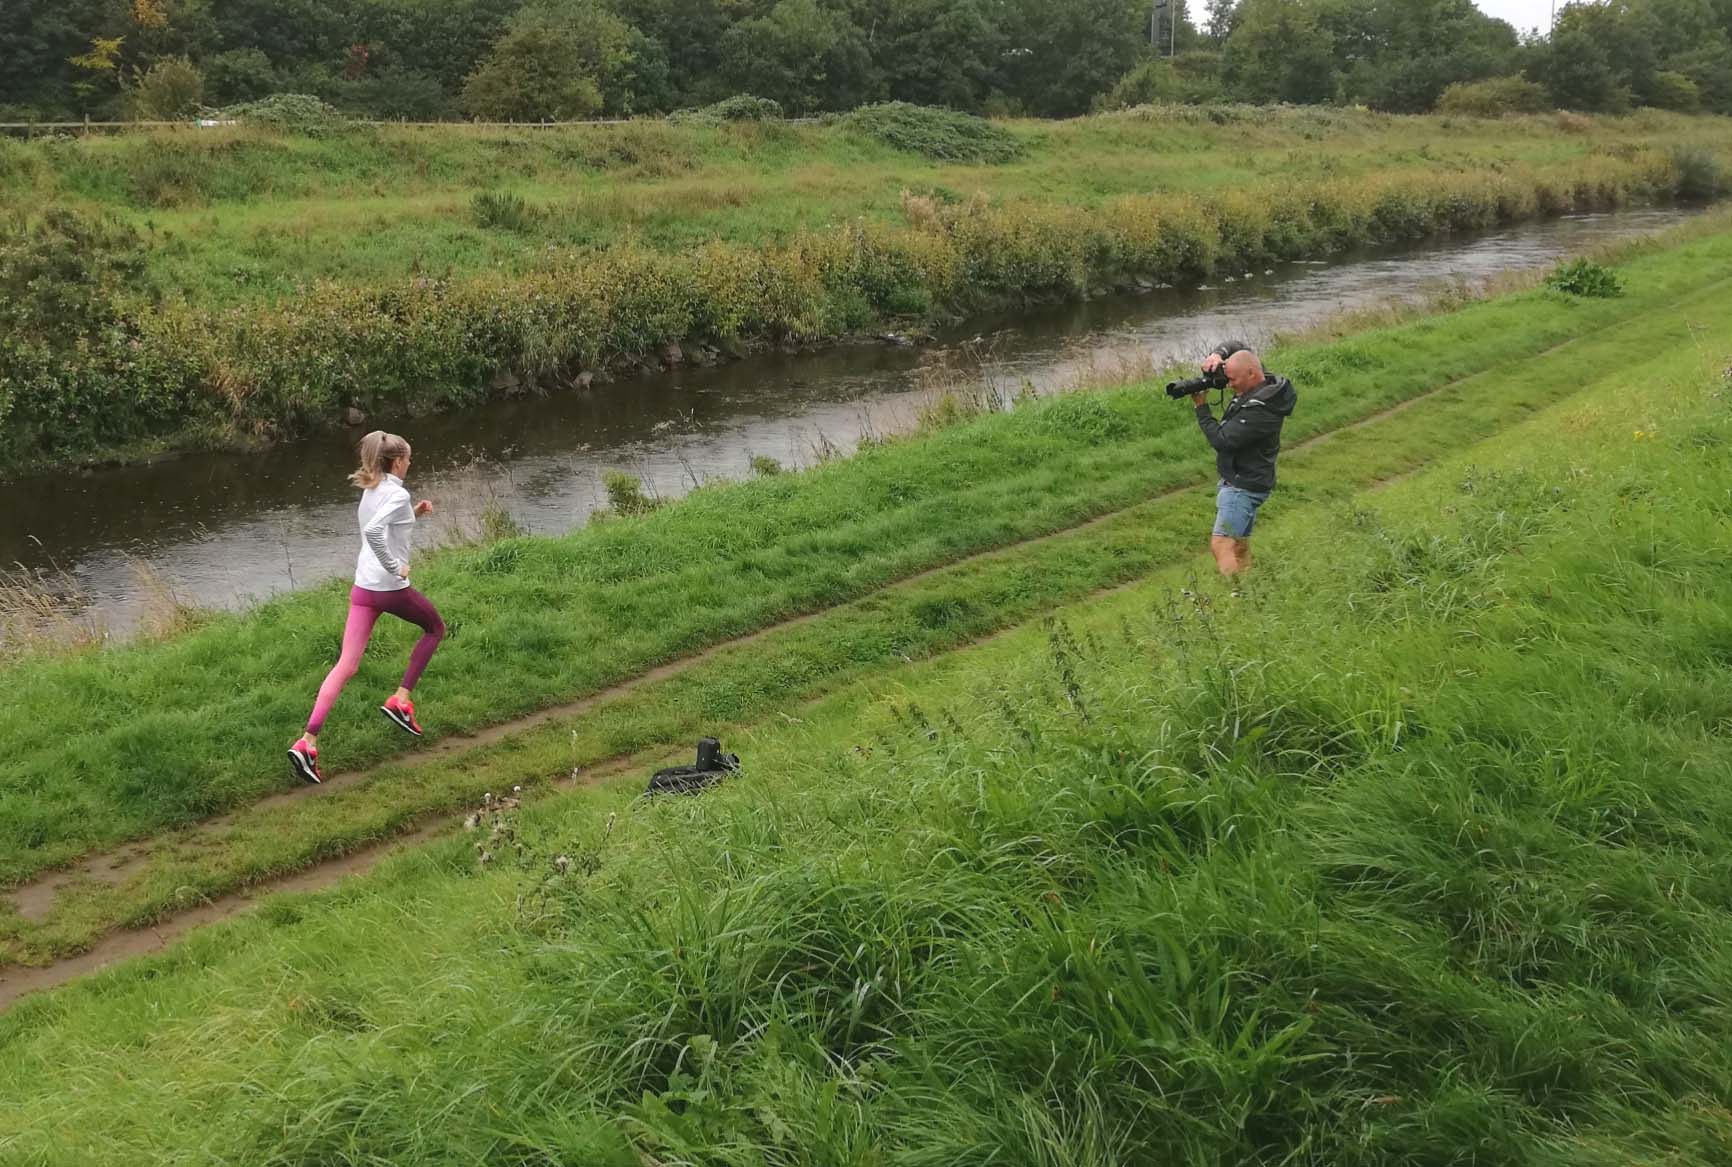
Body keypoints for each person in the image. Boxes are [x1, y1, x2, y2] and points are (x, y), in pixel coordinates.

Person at [288, 431, 445, 785]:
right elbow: (375, 532)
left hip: (363, 589)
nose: (411, 463)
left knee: (346, 665)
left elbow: (389, 527)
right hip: (389, 589)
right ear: (398, 461)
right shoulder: (397, 492)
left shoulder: (373, 489)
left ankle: (307, 742)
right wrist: (396, 567)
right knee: (435, 629)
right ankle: (400, 700)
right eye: (409, 459)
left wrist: (415, 514)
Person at [1192, 342, 1297, 576]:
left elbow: (1222, 441)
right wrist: (1217, 355)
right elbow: (1239, 347)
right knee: (1239, 546)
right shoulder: (1266, 385)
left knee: (1222, 544)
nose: (1229, 385)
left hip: (1242, 486)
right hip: (1252, 479)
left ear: (1251, 374)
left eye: (1232, 380)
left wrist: (1201, 408)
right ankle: (1249, 587)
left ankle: (1235, 591)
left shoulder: (1261, 410)